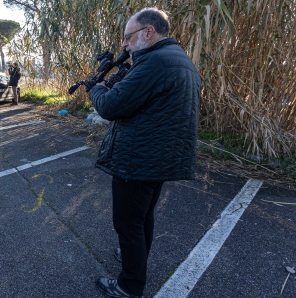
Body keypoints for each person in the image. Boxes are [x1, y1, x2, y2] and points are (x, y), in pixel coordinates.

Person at [89, 8, 201, 298]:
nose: (124, 44)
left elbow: (112, 106)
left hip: (139, 158)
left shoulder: (155, 63)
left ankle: (129, 286)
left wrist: (97, 89)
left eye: (128, 37)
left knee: (127, 223)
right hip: (160, 155)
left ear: (148, 32)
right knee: (141, 218)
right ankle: (135, 259)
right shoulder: (179, 59)